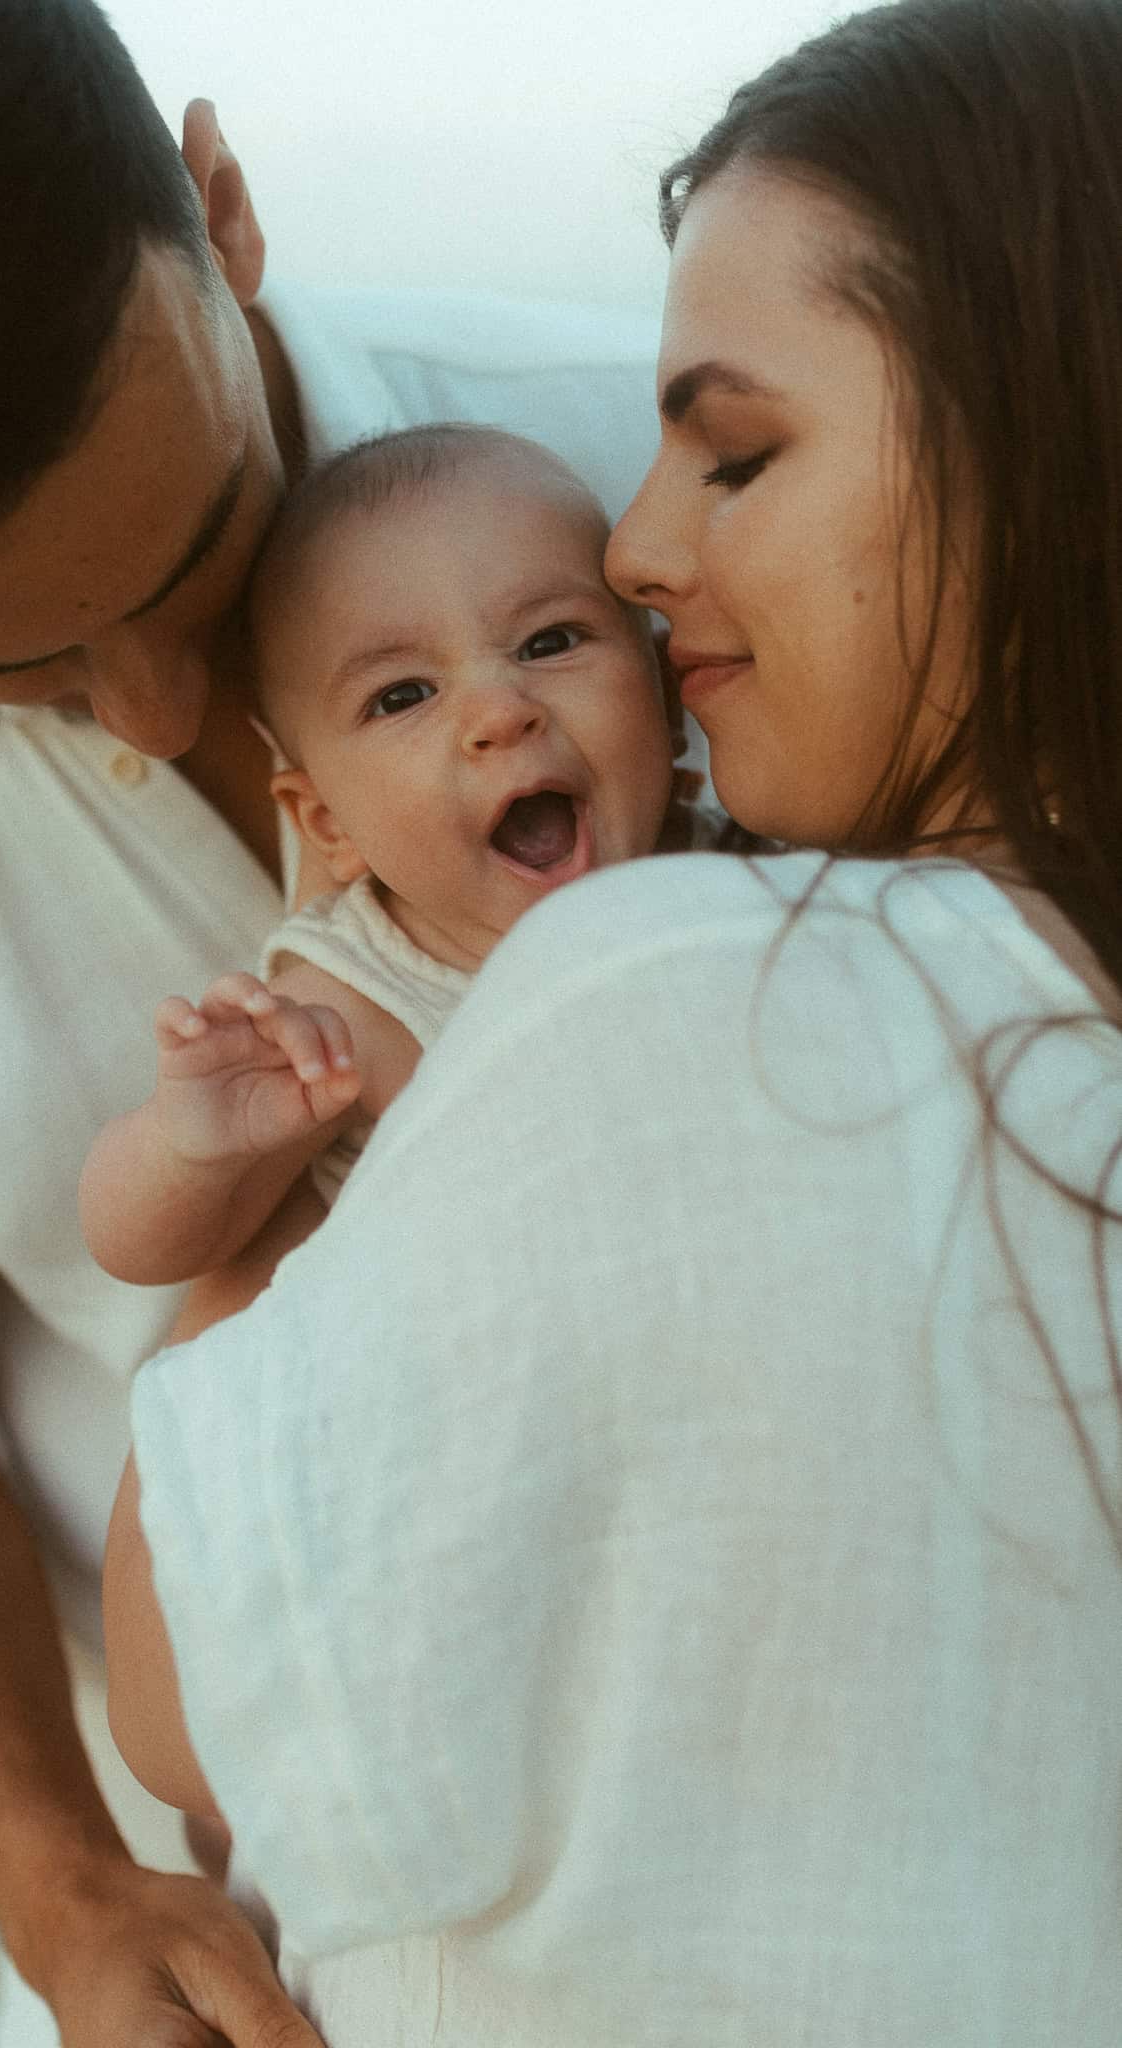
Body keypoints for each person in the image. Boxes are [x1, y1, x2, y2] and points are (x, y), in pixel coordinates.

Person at [105, 0, 1122, 2040]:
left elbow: (183, 1695)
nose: (641, 550)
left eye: (736, 449)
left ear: (1045, 433)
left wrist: (260, 1254)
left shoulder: (675, 1007)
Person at [0, 3, 667, 2044]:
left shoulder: (652, 468)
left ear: (227, 208)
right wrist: (66, 1888)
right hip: (232, 1873)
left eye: (193, 558)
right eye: (14, 669)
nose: (166, 715)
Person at [80, 424, 673, 1313]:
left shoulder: (752, 870)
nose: (499, 713)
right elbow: (141, 1247)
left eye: (549, 641)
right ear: (329, 824)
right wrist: (190, 1146)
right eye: (403, 695)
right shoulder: (359, 1009)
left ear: (664, 697)